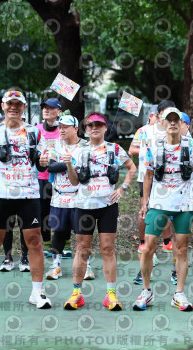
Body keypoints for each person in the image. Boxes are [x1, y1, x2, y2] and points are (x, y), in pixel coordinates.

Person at [0, 90, 51, 310]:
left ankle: (37, 292)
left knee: (35, 241)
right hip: (0, 195)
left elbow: (42, 164)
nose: (14, 107)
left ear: (24, 108)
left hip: (28, 195)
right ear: (3, 106)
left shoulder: (34, 132)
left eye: (18, 104)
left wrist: (44, 161)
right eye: (10, 104)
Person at [133, 108, 193, 311]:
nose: (173, 123)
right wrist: (144, 203)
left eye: (176, 120)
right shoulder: (153, 146)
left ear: (182, 123)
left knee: (181, 249)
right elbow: (148, 175)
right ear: (162, 123)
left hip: (184, 204)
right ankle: (146, 291)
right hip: (159, 203)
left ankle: (179, 294)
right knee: (148, 247)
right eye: (169, 120)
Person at [63, 112, 136, 310]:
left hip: (108, 207)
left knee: (107, 249)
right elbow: (74, 182)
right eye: (90, 125)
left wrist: (123, 188)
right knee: (82, 249)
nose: (94, 128)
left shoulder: (115, 149)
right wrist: (69, 164)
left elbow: (132, 168)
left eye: (99, 125)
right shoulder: (79, 150)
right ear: (85, 129)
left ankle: (111, 295)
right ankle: (76, 294)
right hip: (84, 206)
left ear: (105, 128)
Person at [128, 102, 173, 285]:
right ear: (157, 114)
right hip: (146, 177)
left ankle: (174, 260)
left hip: (170, 180)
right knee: (146, 212)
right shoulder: (144, 131)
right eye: (163, 113)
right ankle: (147, 256)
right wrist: (148, 150)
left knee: (169, 214)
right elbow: (132, 150)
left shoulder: (176, 130)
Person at [43, 115, 86, 281]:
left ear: (75, 128)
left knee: (82, 234)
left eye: (65, 127)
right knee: (59, 232)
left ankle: (86, 266)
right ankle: (56, 265)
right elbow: (51, 167)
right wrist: (71, 165)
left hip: (79, 197)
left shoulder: (85, 146)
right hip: (59, 196)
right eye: (59, 127)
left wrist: (70, 165)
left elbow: (86, 170)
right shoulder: (55, 145)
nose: (61, 130)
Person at [36, 98, 62, 260]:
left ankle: (64, 245)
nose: (46, 110)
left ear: (58, 112)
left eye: (51, 108)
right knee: (43, 212)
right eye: (44, 107)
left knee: (61, 211)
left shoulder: (64, 129)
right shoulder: (37, 129)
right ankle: (46, 243)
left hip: (61, 177)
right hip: (42, 177)